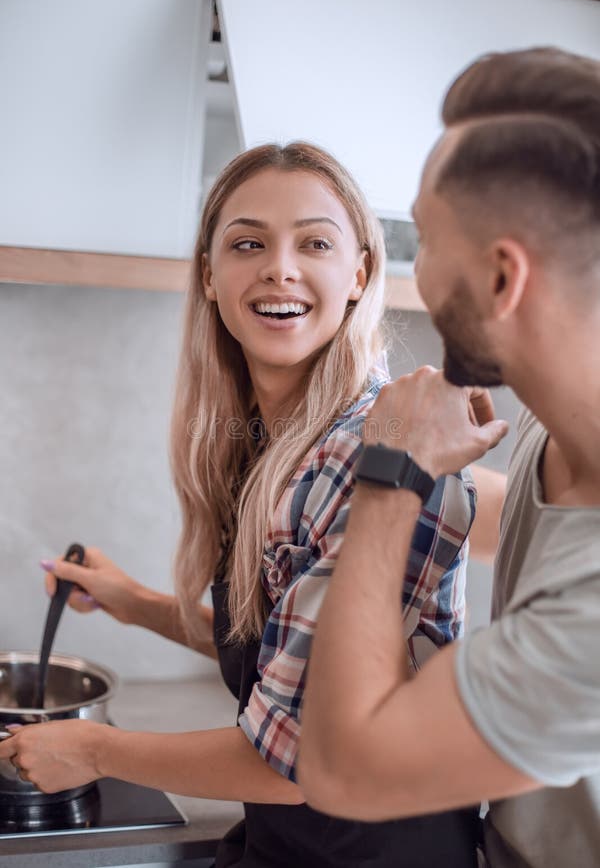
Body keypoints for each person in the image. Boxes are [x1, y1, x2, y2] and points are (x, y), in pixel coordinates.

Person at [0, 142, 480, 867]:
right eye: (248, 242)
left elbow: (295, 760)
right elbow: (293, 654)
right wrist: (136, 602)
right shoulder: (268, 445)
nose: (280, 267)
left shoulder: (378, 454)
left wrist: (95, 750)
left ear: (360, 274)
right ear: (211, 277)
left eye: (314, 242)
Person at [298, 47, 600, 868]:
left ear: (504, 278)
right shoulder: (562, 426)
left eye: (424, 237)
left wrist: (389, 476)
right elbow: (537, 527)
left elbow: (338, 770)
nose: (415, 269)